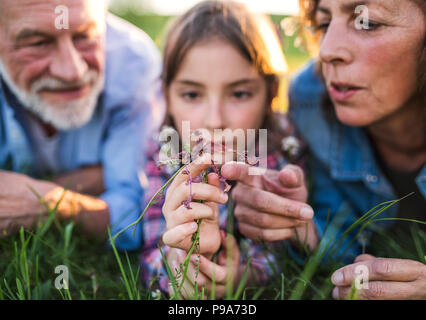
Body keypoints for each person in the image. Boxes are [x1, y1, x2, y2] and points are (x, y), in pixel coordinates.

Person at [139, 0, 315, 299]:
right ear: (166, 94)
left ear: (271, 92)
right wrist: (180, 265)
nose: (215, 119)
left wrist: (245, 276)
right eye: (192, 94)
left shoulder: (283, 145)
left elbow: (283, 249)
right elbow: (153, 246)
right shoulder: (164, 152)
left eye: (239, 93)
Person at [289, 0, 426, 299]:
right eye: (324, 24)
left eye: (367, 22)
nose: (326, 50)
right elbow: (342, 241)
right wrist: (297, 225)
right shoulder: (311, 99)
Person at [0, 0, 164, 250]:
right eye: (38, 43)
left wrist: (52, 202)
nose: (73, 72)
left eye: (85, 36)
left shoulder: (133, 63)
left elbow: (140, 210)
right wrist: (96, 178)